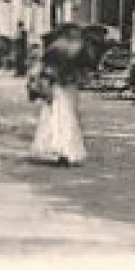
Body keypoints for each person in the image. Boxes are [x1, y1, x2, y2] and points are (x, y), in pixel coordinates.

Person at [28, 25, 96, 166]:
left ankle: (58, 148)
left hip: (56, 86)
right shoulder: (79, 49)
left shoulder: (54, 49)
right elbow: (87, 68)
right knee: (69, 117)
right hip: (70, 87)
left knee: (56, 117)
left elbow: (45, 70)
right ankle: (68, 150)